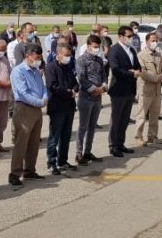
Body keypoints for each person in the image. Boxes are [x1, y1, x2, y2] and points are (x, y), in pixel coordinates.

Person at [9, 44, 48, 188]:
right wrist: (39, 102)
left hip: (37, 109)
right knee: (21, 142)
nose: (38, 60)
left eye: (40, 57)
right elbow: (22, 93)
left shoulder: (36, 71)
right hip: (24, 109)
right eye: (36, 57)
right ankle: (14, 173)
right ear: (28, 56)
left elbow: (43, 87)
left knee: (34, 142)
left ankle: (30, 170)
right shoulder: (18, 71)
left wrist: (44, 97)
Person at [107, 26, 141, 157]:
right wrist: (131, 74)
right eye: (128, 36)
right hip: (118, 89)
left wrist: (137, 71)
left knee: (125, 119)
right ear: (120, 36)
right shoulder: (114, 50)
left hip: (130, 89)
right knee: (116, 119)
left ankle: (121, 143)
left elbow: (137, 65)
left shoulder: (131, 49)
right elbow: (115, 69)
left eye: (131, 36)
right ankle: (113, 145)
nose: (131, 38)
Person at [44, 44, 78, 175]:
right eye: (66, 55)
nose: (68, 58)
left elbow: (76, 83)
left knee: (66, 136)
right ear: (58, 54)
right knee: (54, 137)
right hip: (57, 107)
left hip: (69, 106)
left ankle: (62, 161)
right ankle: (51, 163)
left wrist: (74, 89)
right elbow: (53, 86)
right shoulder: (50, 68)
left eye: (70, 55)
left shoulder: (68, 67)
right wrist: (69, 92)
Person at [75, 35, 106, 166]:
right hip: (86, 98)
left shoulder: (99, 60)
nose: (96, 49)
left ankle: (88, 152)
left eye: (98, 47)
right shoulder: (82, 60)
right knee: (83, 127)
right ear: (88, 46)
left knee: (92, 127)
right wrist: (94, 89)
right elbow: (81, 78)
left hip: (97, 98)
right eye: (94, 47)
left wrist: (103, 87)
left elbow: (104, 75)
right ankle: (79, 154)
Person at [134, 33, 162, 146]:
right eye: (152, 40)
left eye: (156, 40)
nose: (155, 42)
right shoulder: (141, 55)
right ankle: (138, 136)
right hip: (146, 89)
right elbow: (143, 72)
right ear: (146, 41)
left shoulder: (158, 55)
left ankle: (152, 136)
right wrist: (157, 78)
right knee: (142, 115)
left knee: (155, 114)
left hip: (157, 90)